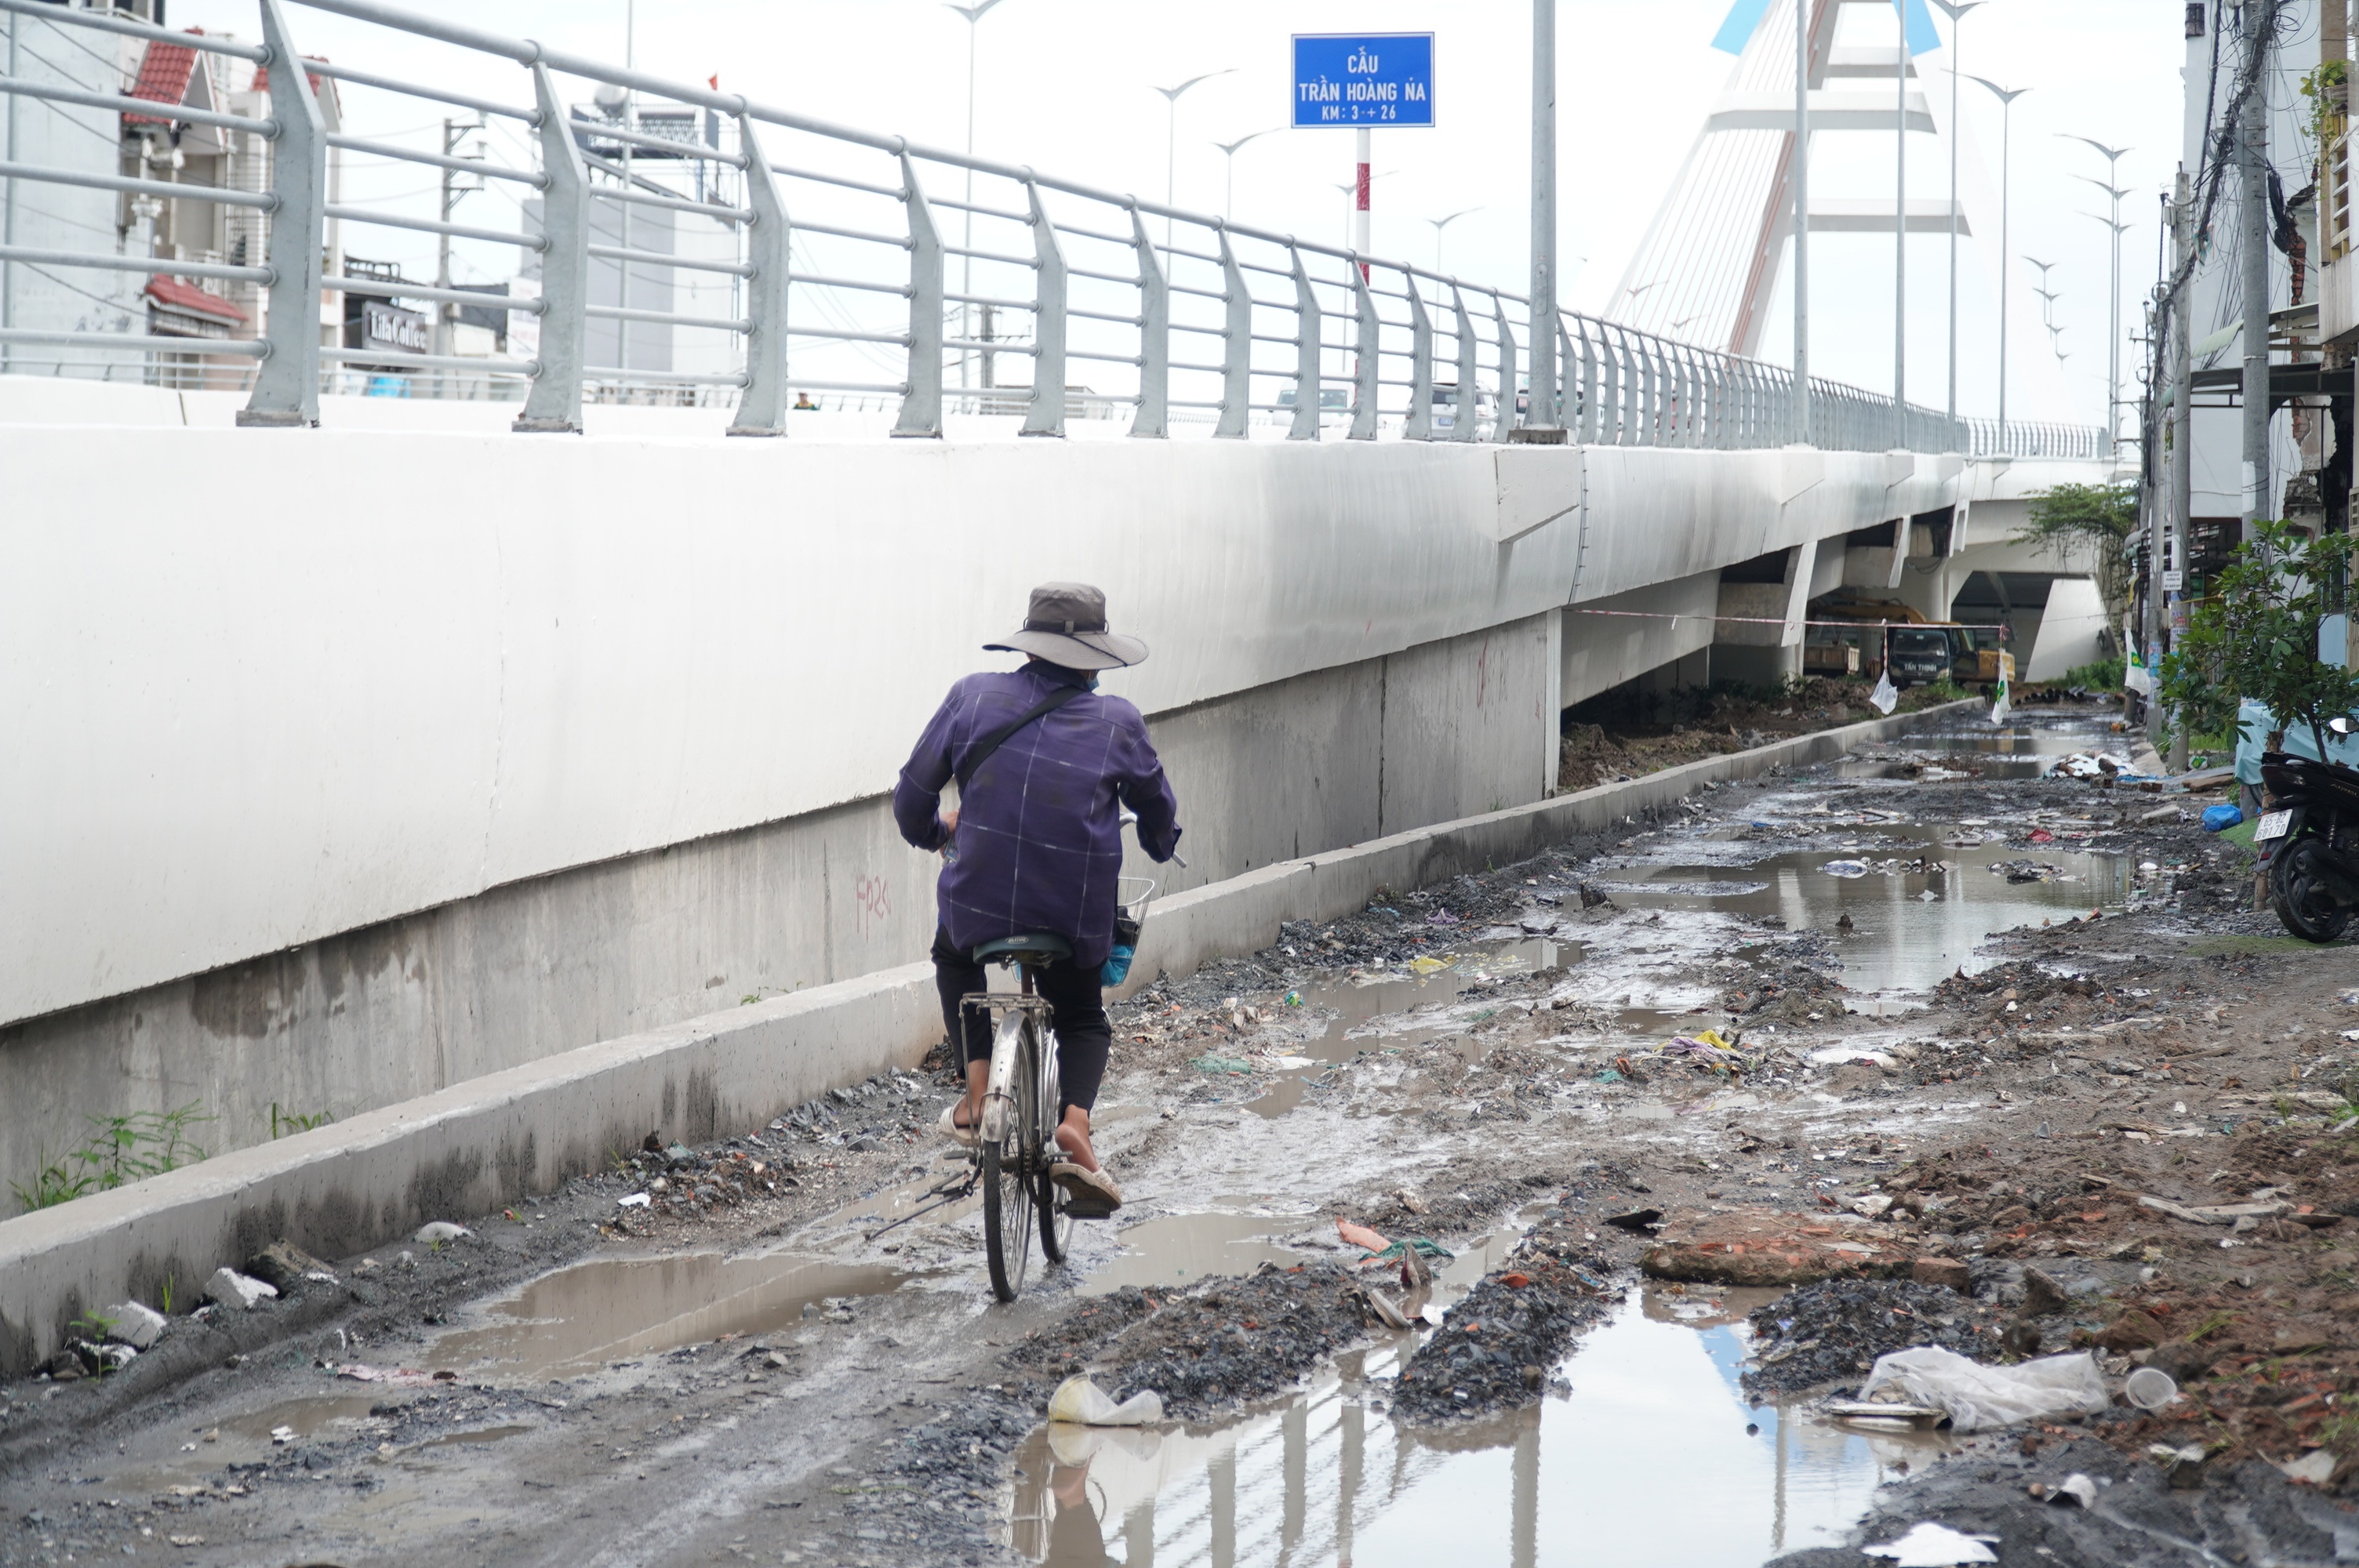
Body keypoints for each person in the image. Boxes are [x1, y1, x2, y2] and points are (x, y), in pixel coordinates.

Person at [893, 583, 1182, 1214]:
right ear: (1093, 657)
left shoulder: (971, 697)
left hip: (977, 905)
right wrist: (1162, 843)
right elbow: (1159, 816)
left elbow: (911, 801)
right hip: (1071, 915)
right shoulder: (1118, 723)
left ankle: (976, 1095)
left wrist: (936, 831)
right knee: (1080, 1015)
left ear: (1031, 643)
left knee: (953, 957)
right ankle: (1074, 1121)